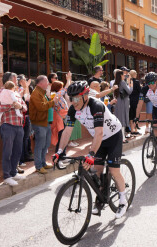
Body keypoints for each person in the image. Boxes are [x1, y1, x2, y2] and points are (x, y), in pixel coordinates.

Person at [53, 81, 128, 219]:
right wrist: (59, 152)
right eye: (71, 98)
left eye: (76, 98)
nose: (73, 102)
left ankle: (123, 200)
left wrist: (91, 154)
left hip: (113, 137)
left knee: (113, 170)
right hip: (99, 139)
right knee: (96, 171)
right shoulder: (73, 110)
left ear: (85, 96)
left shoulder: (96, 106)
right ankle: (100, 198)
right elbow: (66, 132)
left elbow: (99, 133)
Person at [0, 72, 27, 186]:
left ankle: (13, 172)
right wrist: (13, 105)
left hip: (19, 125)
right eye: (16, 80)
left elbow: (25, 107)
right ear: (11, 80)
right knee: (8, 151)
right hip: (7, 124)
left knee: (17, 151)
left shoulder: (17, 93)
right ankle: (7, 175)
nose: (17, 82)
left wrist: (21, 106)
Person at [133, 72, 157, 147]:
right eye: (148, 83)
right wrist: (137, 117)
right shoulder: (144, 89)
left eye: (152, 82)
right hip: (156, 107)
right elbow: (140, 104)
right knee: (154, 125)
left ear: (156, 81)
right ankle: (156, 144)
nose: (150, 85)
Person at [29, 75, 56, 174]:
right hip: (39, 123)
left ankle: (43, 163)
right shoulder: (36, 93)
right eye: (47, 81)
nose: (48, 83)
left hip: (45, 122)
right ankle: (38, 166)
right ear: (40, 83)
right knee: (40, 145)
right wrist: (53, 102)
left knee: (46, 144)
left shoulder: (42, 92)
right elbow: (41, 107)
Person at [113, 69, 132, 141]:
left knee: (119, 118)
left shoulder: (115, 82)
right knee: (123, 118)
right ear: (121, 75)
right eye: (123, 75)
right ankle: (122, 138)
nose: (125, 76)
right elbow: (129, 91)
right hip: (123, 102)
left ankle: (121, 137)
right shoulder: (122, 82)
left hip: (118, 102)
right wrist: (131, 85)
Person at [128, 70, 141, 135]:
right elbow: (140, 90)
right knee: (136, 114)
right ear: (134, 74)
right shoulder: (136, 81)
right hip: (136, 100)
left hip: (129, 100)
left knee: (131, 114)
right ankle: (136, 129)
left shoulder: (128, 81)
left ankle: (132, 129)